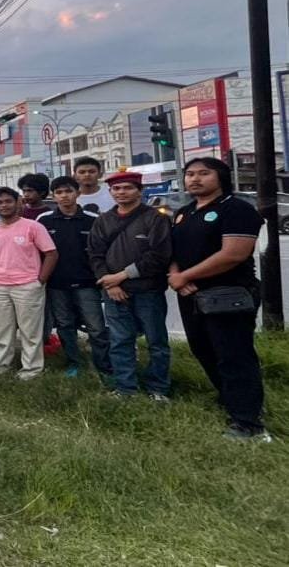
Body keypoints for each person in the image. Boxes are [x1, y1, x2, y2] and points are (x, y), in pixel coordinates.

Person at [169, 157, 269, 441]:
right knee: (203, 349)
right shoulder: (184, 212)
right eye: (190, 174)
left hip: (228, 293)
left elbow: (233, 254)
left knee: (234, 355)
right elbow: (172, 250)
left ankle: (249, 423)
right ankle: (231, 399)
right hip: (190, 294)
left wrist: (186, 276)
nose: (195, 179)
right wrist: (177, 276)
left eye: (204, 173)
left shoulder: (236, 209)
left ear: (221, 177)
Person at [89, 171, 172, 400]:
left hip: (148, 290)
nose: (122, 192)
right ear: (110, 192)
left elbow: (159, 255)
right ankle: (126, 388)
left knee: (157, 341)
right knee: (120, 341)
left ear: (140, 190)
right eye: (117, 189)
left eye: (127, 188)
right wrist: (110, 283)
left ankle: (158, 388)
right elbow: (95, 255)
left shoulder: (155, 218)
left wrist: (122, 275)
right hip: (114, 292)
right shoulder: (103, 220)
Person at [0, 187, 58, 380]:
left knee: (30, 332)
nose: (4, 205)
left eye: (8, 201)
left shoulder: (32, 226)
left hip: (28, 286)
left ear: (18, 202)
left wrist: (40, 280)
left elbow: (51, 253)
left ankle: (31, 369)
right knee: (3, 331)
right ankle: (2, 366)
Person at [37, 177, 110, 379]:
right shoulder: (44, 220)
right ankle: (74, 363)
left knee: (95, 327)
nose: (64, 196)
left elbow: (100, 251)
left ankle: (103, 366)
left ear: (77, 193)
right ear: (53, 196)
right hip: (56, 284)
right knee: (64, 325)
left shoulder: (92, 219)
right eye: (59, 192)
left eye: (68, 191)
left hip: (87, 283)